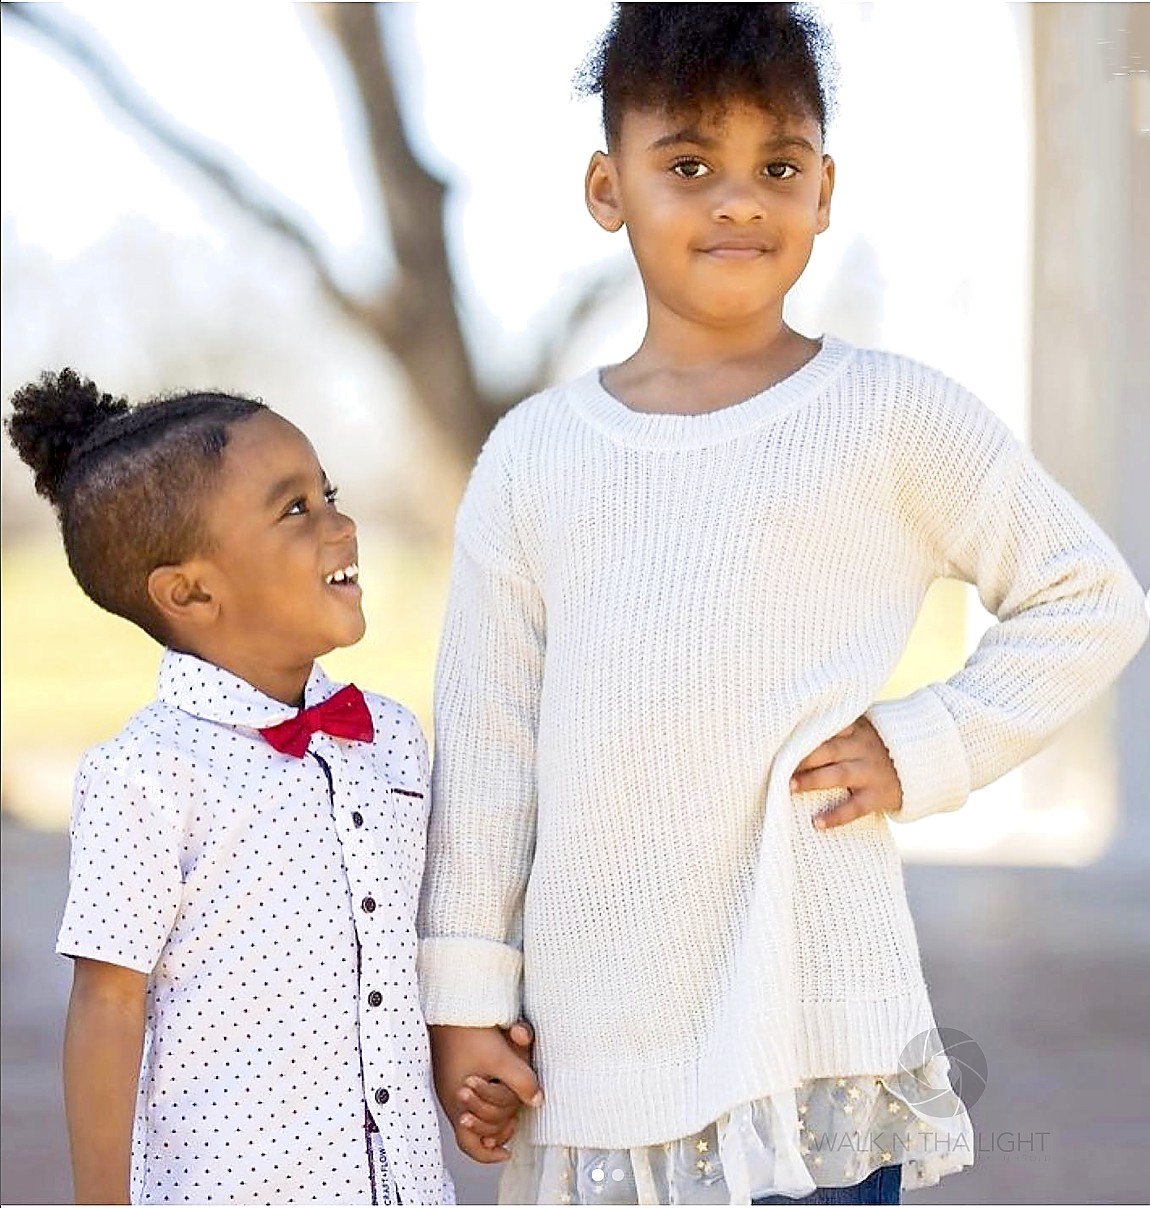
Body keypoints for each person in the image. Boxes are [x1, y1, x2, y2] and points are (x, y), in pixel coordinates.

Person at [415, 4, 1150, 1206]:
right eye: (689, 164)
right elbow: (488, 749)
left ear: (824, 191)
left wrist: (924, 743)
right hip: (594, 1040)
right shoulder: (534, 456)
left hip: (808, 1036)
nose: (738, 200)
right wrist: (463, 1001)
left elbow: (1090, 595)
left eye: (779, 166)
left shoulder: (890, 415)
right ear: (608, 189)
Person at [4, 371, 531, 1205]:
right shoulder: (144, 772)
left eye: (330, 494)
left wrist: (465, 1065)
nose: (342, 525)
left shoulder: (387, 734)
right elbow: (107, 1009)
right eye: (295, 510)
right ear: (191, 591)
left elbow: (399, 954)